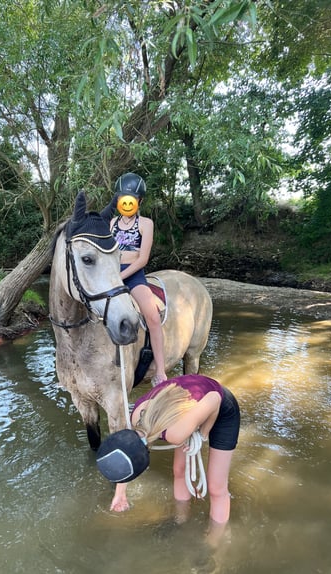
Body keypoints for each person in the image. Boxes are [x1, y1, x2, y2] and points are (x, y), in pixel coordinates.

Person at [95, 374, 240, 540]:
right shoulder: (136, 418)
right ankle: (181, 521)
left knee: (216, 487)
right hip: (185, 408)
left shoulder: (175, 433)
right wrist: (120, 493)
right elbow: (126, 452)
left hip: (220, 405)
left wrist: (202, 434)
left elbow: (214, 398)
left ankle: (214, 541)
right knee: (179, 470)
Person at [102, 172, 167, 385]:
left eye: (132, 199)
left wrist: (120, 277)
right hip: (112, 274)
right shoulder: (111, 223)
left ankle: (160, 370)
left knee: (153, 317)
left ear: (139, 201)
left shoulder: (146, 224)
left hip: (133, 276)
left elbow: (142, 259)